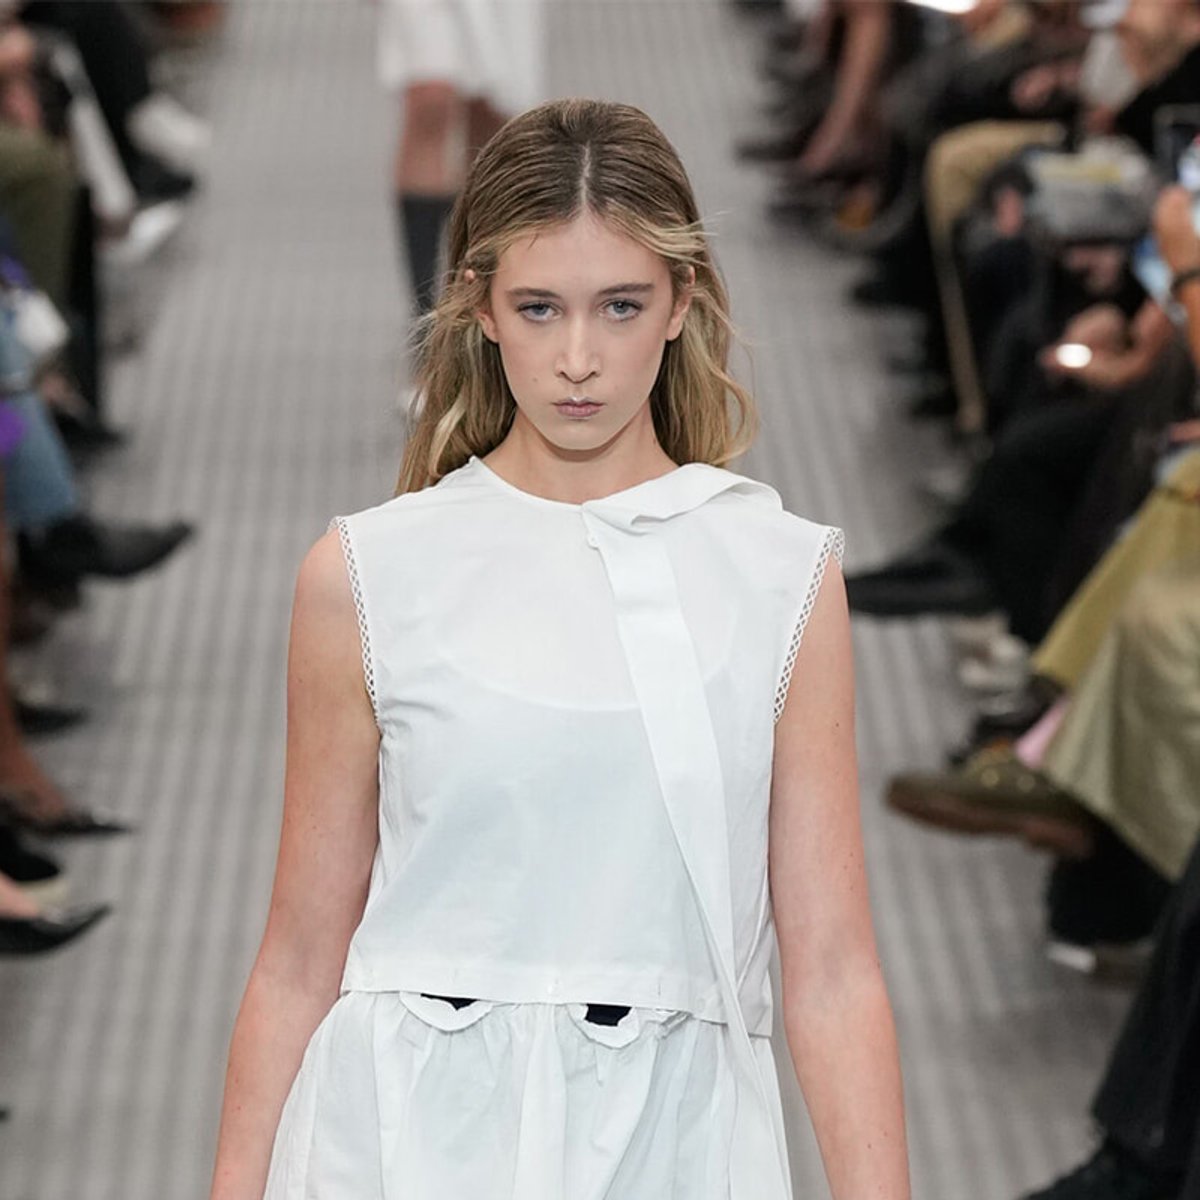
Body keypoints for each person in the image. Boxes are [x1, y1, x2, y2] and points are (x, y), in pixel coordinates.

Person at [208, 98, 909, 1200]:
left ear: (682, 303)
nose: (578, 359)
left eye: (618, 306)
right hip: (398, 1139)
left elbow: (831, 971)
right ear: (481, 310)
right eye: (539, 308)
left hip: (676, 1140)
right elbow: (300, 956)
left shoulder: (781, 575)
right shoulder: (365, 574)